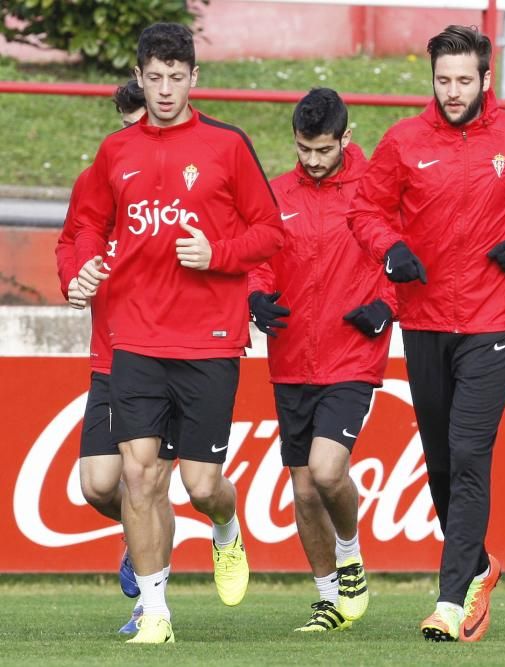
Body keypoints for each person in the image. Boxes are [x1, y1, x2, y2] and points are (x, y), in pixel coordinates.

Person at [348, 24, 505, 643]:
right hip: (423, 319)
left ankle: (450, 600)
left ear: (485, 79)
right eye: (443, 80)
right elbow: (366, 209)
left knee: (471, 452)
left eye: (463, 80)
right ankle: (478, 565)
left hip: (493, 319)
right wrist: (390, 250)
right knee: (441, 461)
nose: (452, 91)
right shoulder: (402, 141)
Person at [72, 22, 283, 644]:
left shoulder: (227, 145)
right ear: (139, 78)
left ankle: (224, 525)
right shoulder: (116, 152)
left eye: (176, 76)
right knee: (138, 476)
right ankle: (156, 613)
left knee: (200, 485)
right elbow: (86, 222)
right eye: (154, 77)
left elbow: (271, 233)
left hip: (209, 340)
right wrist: (83, 264)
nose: (165, 89)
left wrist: (217, 252)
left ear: (194, 78)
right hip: (134, 339)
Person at [247, 87, 392, 633]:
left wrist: (386, 306)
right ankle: (331, 598)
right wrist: (256, 298)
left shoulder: (376, 189)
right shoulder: (276, 192)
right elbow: (259, 259)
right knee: (304, 488)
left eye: (323, 150)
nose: (312, 161)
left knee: (329, 471)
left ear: (346, 139)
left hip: (352, 355)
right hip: (289, 360)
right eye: (303, 149)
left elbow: (401, 255)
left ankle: (350, 552)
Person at [58, 79, 176, 635]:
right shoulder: (97, 179)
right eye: (128, 126)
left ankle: (151, 606)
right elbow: (71, 242)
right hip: (108, 355)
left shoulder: (181, 180)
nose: (139, 137)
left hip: (165, 354)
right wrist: (73, 277)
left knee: (145, 484)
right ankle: (139, 540)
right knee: (98, 486)